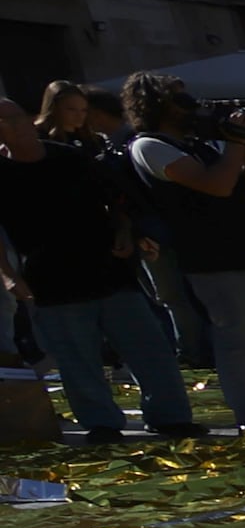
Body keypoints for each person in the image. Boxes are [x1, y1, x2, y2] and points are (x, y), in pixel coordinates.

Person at [0, 83, 192, 440]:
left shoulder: (71, 158)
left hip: (107, 266)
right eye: (4, 121)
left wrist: (124, 232)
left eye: (16, 118)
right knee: (77, 358)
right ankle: (101, 422)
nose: (15, 126)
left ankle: (170, 416)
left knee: (148, 347)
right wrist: (9, 276)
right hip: (51, 277)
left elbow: (116, 201)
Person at [123, 76, 245, 438]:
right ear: (156, 105)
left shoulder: (202, 145)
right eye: (180, 100)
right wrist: (235, 142)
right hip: (210, 257)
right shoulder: (150, 146)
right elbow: (216, 185)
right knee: (238, 342)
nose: (191, 105)